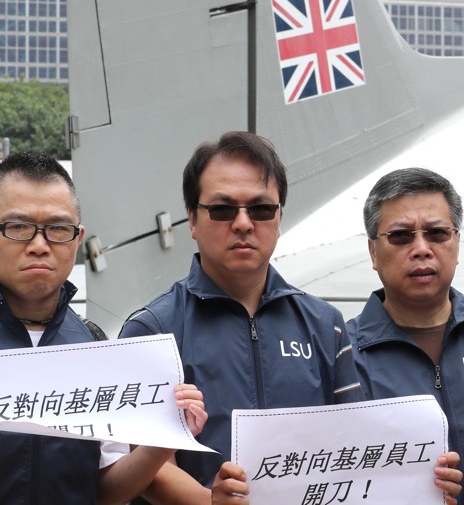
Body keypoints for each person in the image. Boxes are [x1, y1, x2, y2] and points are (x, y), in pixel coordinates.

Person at [118, 132, 362, 504]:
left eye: (261, 209)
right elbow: (147, 466)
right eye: (223, 209)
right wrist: (210, 502)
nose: (244, 223)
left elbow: (355, 440)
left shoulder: (326, 324)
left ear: (279, 218)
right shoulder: (150, 330)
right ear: (193, 221)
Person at [0, 151, 206, 504]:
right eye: (17, 227)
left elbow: (107, 491)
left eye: (58, 229)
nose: (38, 246)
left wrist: (166, 437)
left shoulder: (95, 348)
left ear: (78, 239)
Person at [346, 168, 464, 503]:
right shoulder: (341, 354)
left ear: (456, 243)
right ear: (373, 252)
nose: (421, 249)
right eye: (401, 236)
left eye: (437, 233)